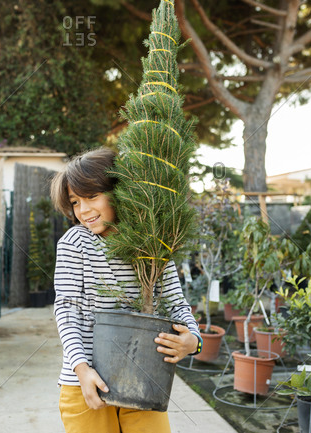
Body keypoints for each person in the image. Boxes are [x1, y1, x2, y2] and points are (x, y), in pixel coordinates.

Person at [50, 147, 203, 433]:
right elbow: (67, 311)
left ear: (119, 191)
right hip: (88, 385)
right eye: (75, 202)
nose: (83, 210)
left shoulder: (154, 244)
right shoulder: (76, 243)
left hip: (145, 379)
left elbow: (176, 304)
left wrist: (193, 340)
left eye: (92, 197)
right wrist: (82, 370)